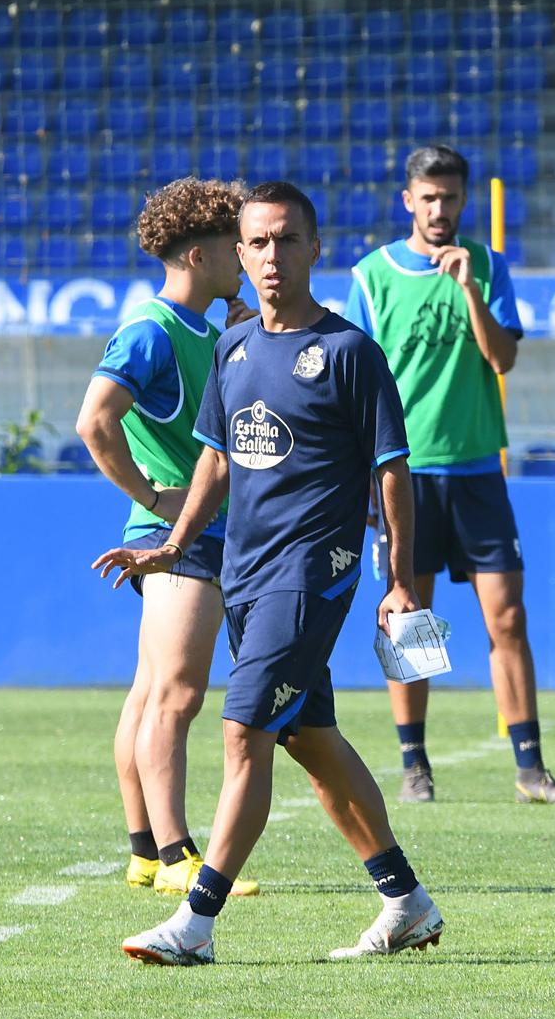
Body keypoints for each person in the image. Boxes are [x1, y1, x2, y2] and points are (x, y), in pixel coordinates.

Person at [96, 181, 443, 965]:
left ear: (316, 248)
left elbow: (394, 470)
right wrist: (173, 542)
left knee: (243, 727)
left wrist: (400, 577)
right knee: (312, 740)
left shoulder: (350, 353)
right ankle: (406, 901)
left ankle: (195, 922)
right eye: (257, 243)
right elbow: (214, 461)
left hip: (314, 570)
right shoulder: (235, 347)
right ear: (240, 252)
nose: (271, 257)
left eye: (288, 240)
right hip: (245, 574)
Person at [347, 144, 555, 805]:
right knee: (410, 618)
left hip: (479, 469)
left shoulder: (487, 265)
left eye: (450, 198)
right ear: (408, 200)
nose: (440, 209)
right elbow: (356, 382)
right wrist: (363, 476)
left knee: (507, 617)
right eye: (428, 197)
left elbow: (503, 358)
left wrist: (469, 290)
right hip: (403, 473)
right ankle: (414, 764)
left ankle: (531, 768)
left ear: (463, 200)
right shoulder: (371, 275)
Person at [74, 177, 259, 899]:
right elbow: (94, 420)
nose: (246, 256)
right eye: (235, 245)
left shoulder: (206, 330)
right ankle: (180, 852)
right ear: (198, 254)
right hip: (177, 533)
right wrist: (153, 496)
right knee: (176, 697)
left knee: (150, 691)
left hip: (194, 530)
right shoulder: (151, 330)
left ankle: (145, 850)